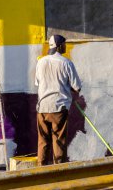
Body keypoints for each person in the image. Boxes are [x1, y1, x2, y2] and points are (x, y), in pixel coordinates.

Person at [35, 34, 82, 166]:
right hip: (59, 108)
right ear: (59, 46)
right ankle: (59, 171)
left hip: (42, 108)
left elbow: (38, 84)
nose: (66, 46)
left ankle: (40, 171)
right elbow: (77, 87)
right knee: (59, 141)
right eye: (64, 44)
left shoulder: (40, 62)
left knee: (43, 141)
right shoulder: (66, 63)